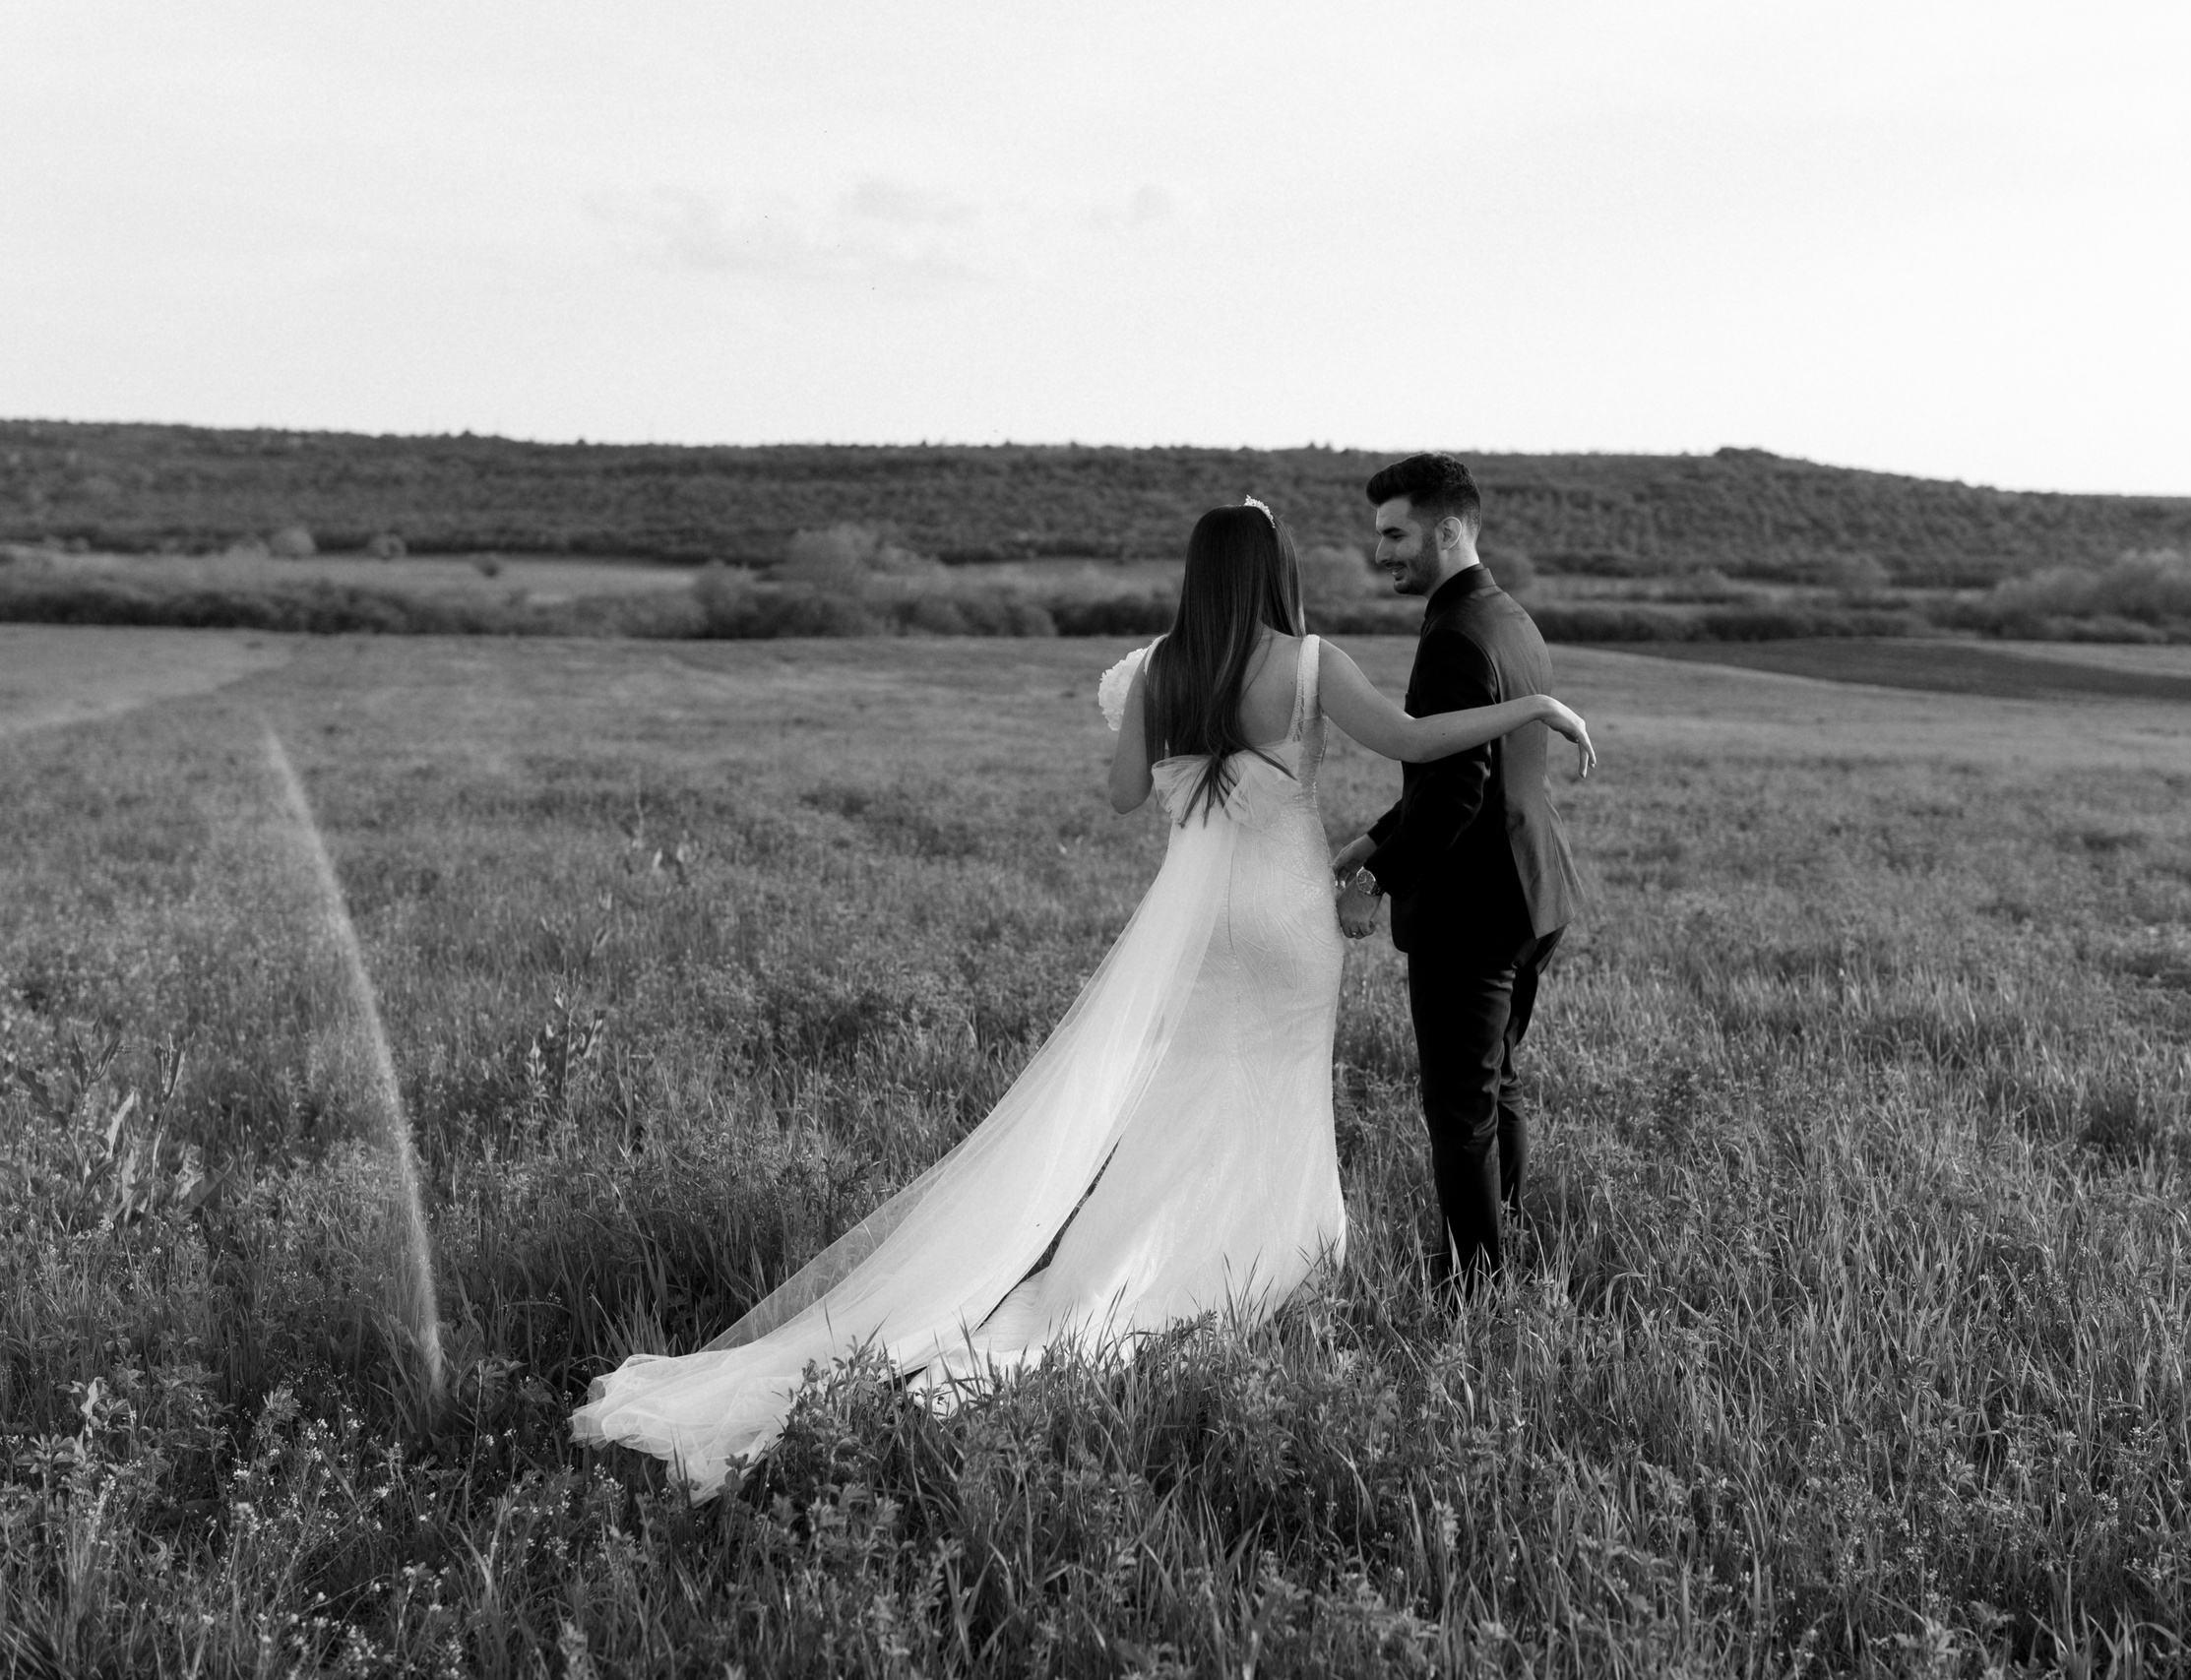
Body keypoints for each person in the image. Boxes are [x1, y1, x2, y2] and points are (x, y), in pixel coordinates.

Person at [572, 497, 1594, 1498]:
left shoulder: (1158, 668)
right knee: (1276, 1090)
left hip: (1198, 924)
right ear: (1272, 572)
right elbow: (1419, 744)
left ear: (1197, 575)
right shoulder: (1314, 662)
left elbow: (1121, 795)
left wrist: (1187, 742)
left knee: (1182, 1095)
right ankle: (1257, 1262)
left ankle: (1132, 1260)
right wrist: (1533, 707)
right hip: (1286, 920)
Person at [1330, 454, 1580, 1288]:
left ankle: (1472, 1288)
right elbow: (1464, 768)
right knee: (1496, 1083)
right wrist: (1372, 837)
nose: (1383, 553)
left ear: (1446, 529)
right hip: (1530, 889)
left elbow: (1456, 789)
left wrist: (1377, 881)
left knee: (1459, 1110)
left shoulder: (1454, 635)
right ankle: (1496, 1245)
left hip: (1471, 907)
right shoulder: (1509, 616)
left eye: (1395, 534)